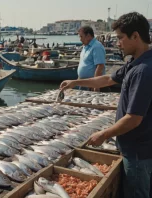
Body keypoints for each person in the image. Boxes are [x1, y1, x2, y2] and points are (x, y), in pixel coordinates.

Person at [59, 12, 152, 198]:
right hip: (134, 148)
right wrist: (76, 82)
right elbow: (108, 79)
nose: (117, 43)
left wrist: (104, 134)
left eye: (120, 38)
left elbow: (133, 119)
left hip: (137, 152)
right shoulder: (135, 63)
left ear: (135, 36)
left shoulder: (144, 70)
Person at [77, 26, 106, 91]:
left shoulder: (96, 46)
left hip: (92, 85)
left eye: (81, 36)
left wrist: (95, 85)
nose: (80, 39)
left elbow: (100, 66)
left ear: (88, 36)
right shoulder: (85, 46)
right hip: (84, 83)